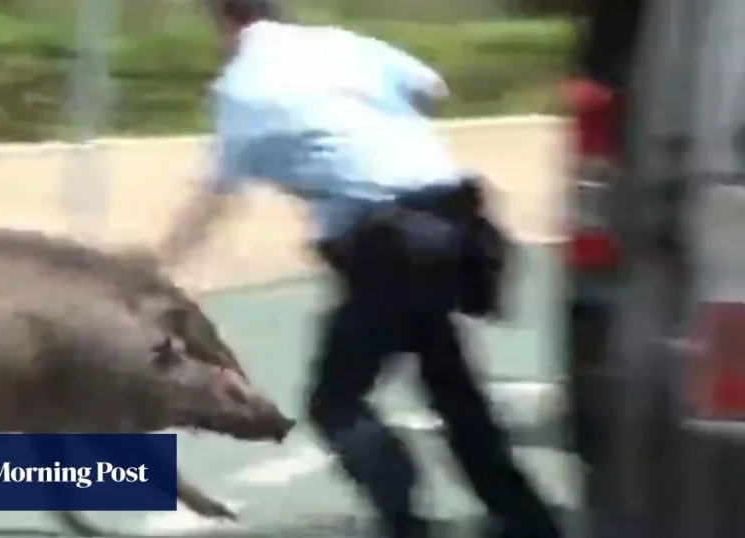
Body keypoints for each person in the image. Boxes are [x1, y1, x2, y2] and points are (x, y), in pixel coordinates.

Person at [153, 1, 563, 537]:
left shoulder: (243, 88)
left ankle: (406, 518)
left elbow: (216, 196)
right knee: (450, 384)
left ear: (223, 21)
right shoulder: (339, 44)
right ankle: (524, 519)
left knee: (336, 404)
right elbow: (432, 87)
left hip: (389, 245)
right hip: (459, 221)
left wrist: (159, 269)